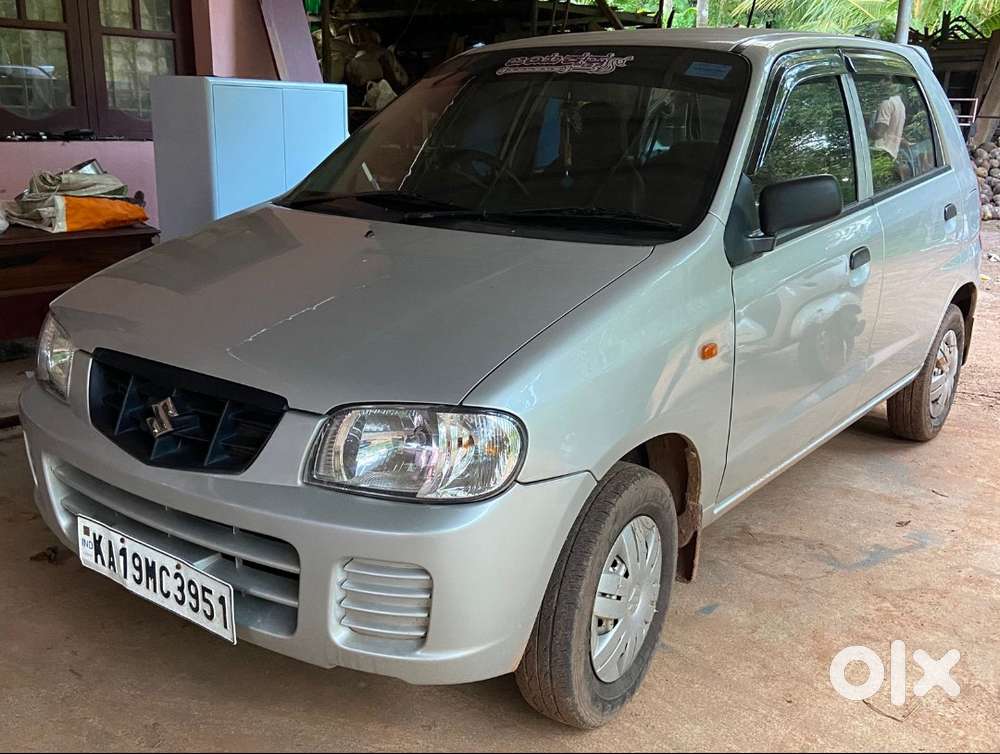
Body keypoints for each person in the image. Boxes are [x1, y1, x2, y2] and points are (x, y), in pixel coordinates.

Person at [869, 77, 907, 191]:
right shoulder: (900, 105)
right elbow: (893, 132)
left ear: (896, 85)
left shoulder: (886, 104)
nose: (881, 82)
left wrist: (864, 126)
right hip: (891, 156)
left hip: (880, 154)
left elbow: (878, 134)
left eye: (886, 80)